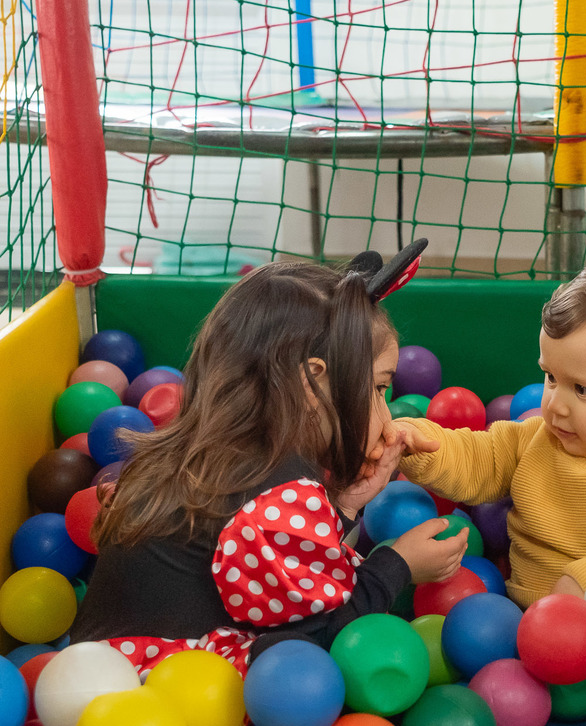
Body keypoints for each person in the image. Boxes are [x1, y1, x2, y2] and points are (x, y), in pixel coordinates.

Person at [72, 256, 468, 675]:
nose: (386, 414)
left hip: (87, 674)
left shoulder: (206, 452)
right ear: (312, 384)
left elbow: (269, 565)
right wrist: (398, 566)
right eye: (378, 388)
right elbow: (325, 644)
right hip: (169, 690)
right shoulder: (280, 495)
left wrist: (345, 504)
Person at [388, 248, 586, 608]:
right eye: (551, 377)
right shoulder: (533, 439)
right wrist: (416, 443)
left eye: (582, 389)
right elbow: (476, 458)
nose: (555, 404)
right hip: (516, 619)